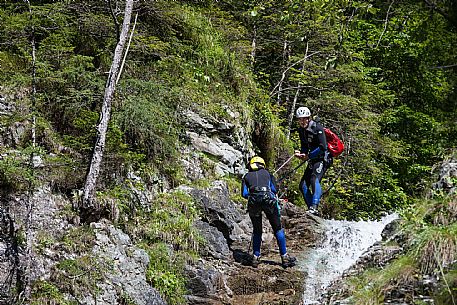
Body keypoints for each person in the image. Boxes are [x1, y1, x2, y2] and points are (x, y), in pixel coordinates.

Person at [241, 156, 296, 268]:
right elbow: (274, 190)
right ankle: (284, 257)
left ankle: (256, 257)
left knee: (257, 230)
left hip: (253, 203)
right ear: (262, 165)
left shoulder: (246, 176)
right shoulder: (268, 174)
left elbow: (244, 194)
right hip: (269, 201)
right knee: (277, 228)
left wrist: (254, 196)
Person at [294, 106, 331, 215]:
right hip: (312, 159)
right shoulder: (301, 130)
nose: (302, 121)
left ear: (309, 118)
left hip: (322, 159)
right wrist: (302, 154)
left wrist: (308, 156)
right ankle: (311, 207)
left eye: (304, 119)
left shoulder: (317, 128)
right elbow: (304, 146)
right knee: (303, 185)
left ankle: (314, 206)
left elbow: (323, 147)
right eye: (300, 119)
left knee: (314, 179)